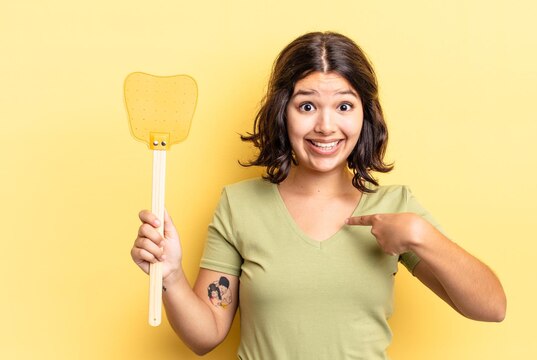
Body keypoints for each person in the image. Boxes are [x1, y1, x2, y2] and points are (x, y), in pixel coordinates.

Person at [131, 31, 506, 359]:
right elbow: (205, 336)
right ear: (283, 113)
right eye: (307, 106)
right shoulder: (239, 206)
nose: (326, 127)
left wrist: (420, 235)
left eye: (344, 106)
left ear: (365, 115)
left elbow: (491, 307)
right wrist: (172, 275)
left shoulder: (395, 208)